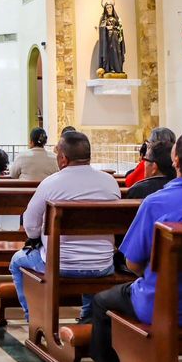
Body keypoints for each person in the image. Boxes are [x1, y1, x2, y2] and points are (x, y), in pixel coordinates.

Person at [89, 122, 182, 362]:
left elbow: (133, 263)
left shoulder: (156, 203)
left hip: (159, 305)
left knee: (101, 302)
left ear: (176, 161)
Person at [9, 131, 120, 322]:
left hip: (60, 264)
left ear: (62, 158)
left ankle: (34, 317)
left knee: (17, 261)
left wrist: (37, 238)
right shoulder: (110, 182)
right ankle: (88, 317)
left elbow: (30, 224)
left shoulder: (51, 183)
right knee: (90, 253)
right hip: (102, 264)